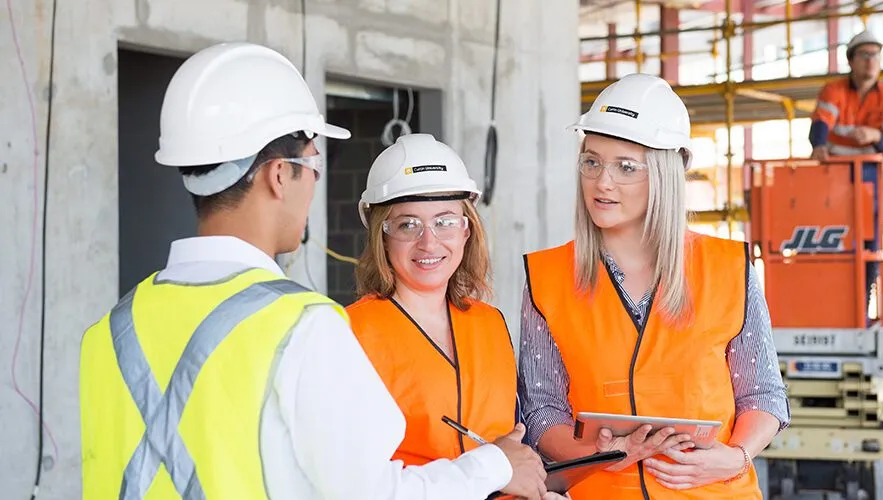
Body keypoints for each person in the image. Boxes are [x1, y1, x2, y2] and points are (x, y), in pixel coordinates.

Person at [79, 42, 545, 500]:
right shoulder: (301, 325)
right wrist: (495, 465)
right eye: (314, 166)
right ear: (280, 174)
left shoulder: (109, 333)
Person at [517, 73, 791, 499]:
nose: (602, 182)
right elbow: (541, 408)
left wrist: (737, 456)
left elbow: (763, 394)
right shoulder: (547, 278)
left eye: (625, 167)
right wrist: (596, 456)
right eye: (592, 162)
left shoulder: (728, 268)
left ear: (666, 172)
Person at [346, 133, 565, 499]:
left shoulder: (490, 323)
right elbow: (352, 480)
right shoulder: (351, 332)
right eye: (407, 224)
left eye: (445, 221)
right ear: (381, 237)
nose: (429, 243)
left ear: (467, 229)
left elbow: (517, 448)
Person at [809, 30, 883, 320]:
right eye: (865, 55)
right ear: (851, 61)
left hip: (871, 184)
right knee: (833, 246)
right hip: (837, 181)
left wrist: (875, 134)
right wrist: (819, 146)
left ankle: (860, 308)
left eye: (876, 55)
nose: (871, 61)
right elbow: (819, 126)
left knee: (869, 248)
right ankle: (829, 309)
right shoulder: (833, 91)